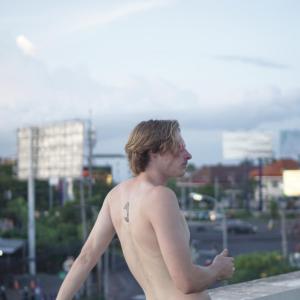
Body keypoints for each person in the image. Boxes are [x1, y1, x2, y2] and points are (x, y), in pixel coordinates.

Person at [56, 119, 235, 300]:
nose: (188, 155)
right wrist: (217, 269)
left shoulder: (115, 196)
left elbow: (85, 258)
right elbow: (186, 282)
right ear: (154, 152)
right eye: (179, 147)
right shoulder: (161, 197)